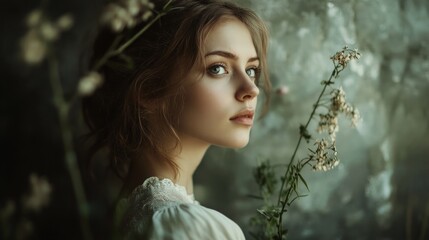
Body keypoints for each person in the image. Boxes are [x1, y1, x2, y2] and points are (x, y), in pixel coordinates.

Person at [83, 0, 270, 239]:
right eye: (218, 68)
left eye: (251, 69)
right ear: (148, 90)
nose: (251, 89)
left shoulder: (129, 214)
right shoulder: (191, 227)